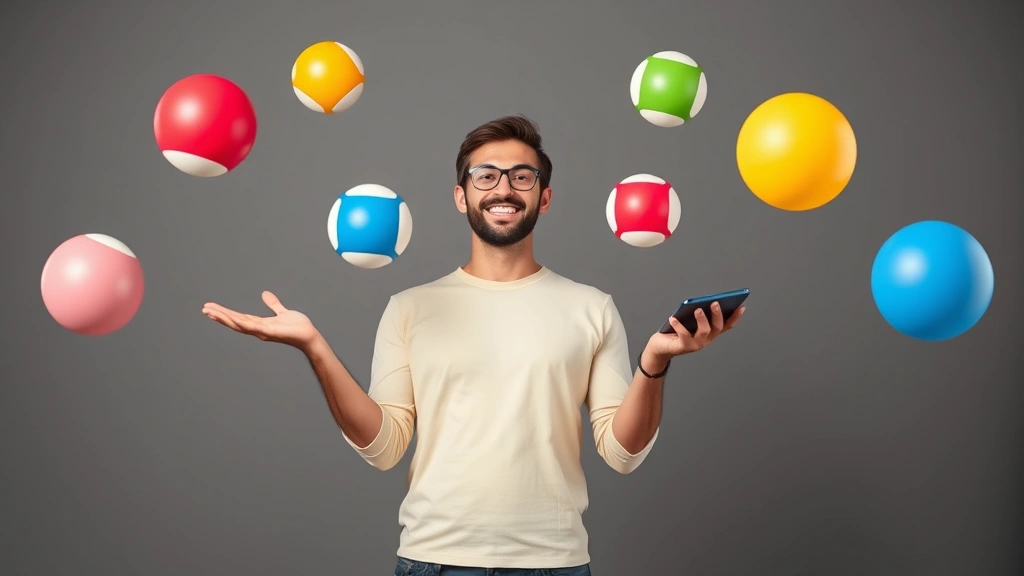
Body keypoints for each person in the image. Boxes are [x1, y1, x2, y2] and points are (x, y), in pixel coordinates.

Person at [201, 115, 744, 575]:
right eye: (486, 176)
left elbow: (622, 454)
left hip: (553, 563)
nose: (503, 188)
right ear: (462, 196)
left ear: (545, 197)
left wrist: (654, 365)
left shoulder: (592, 307)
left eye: (521, 176)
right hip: (432, 560)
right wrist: (314, 347)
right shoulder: (410, 307)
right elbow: (385, 447)